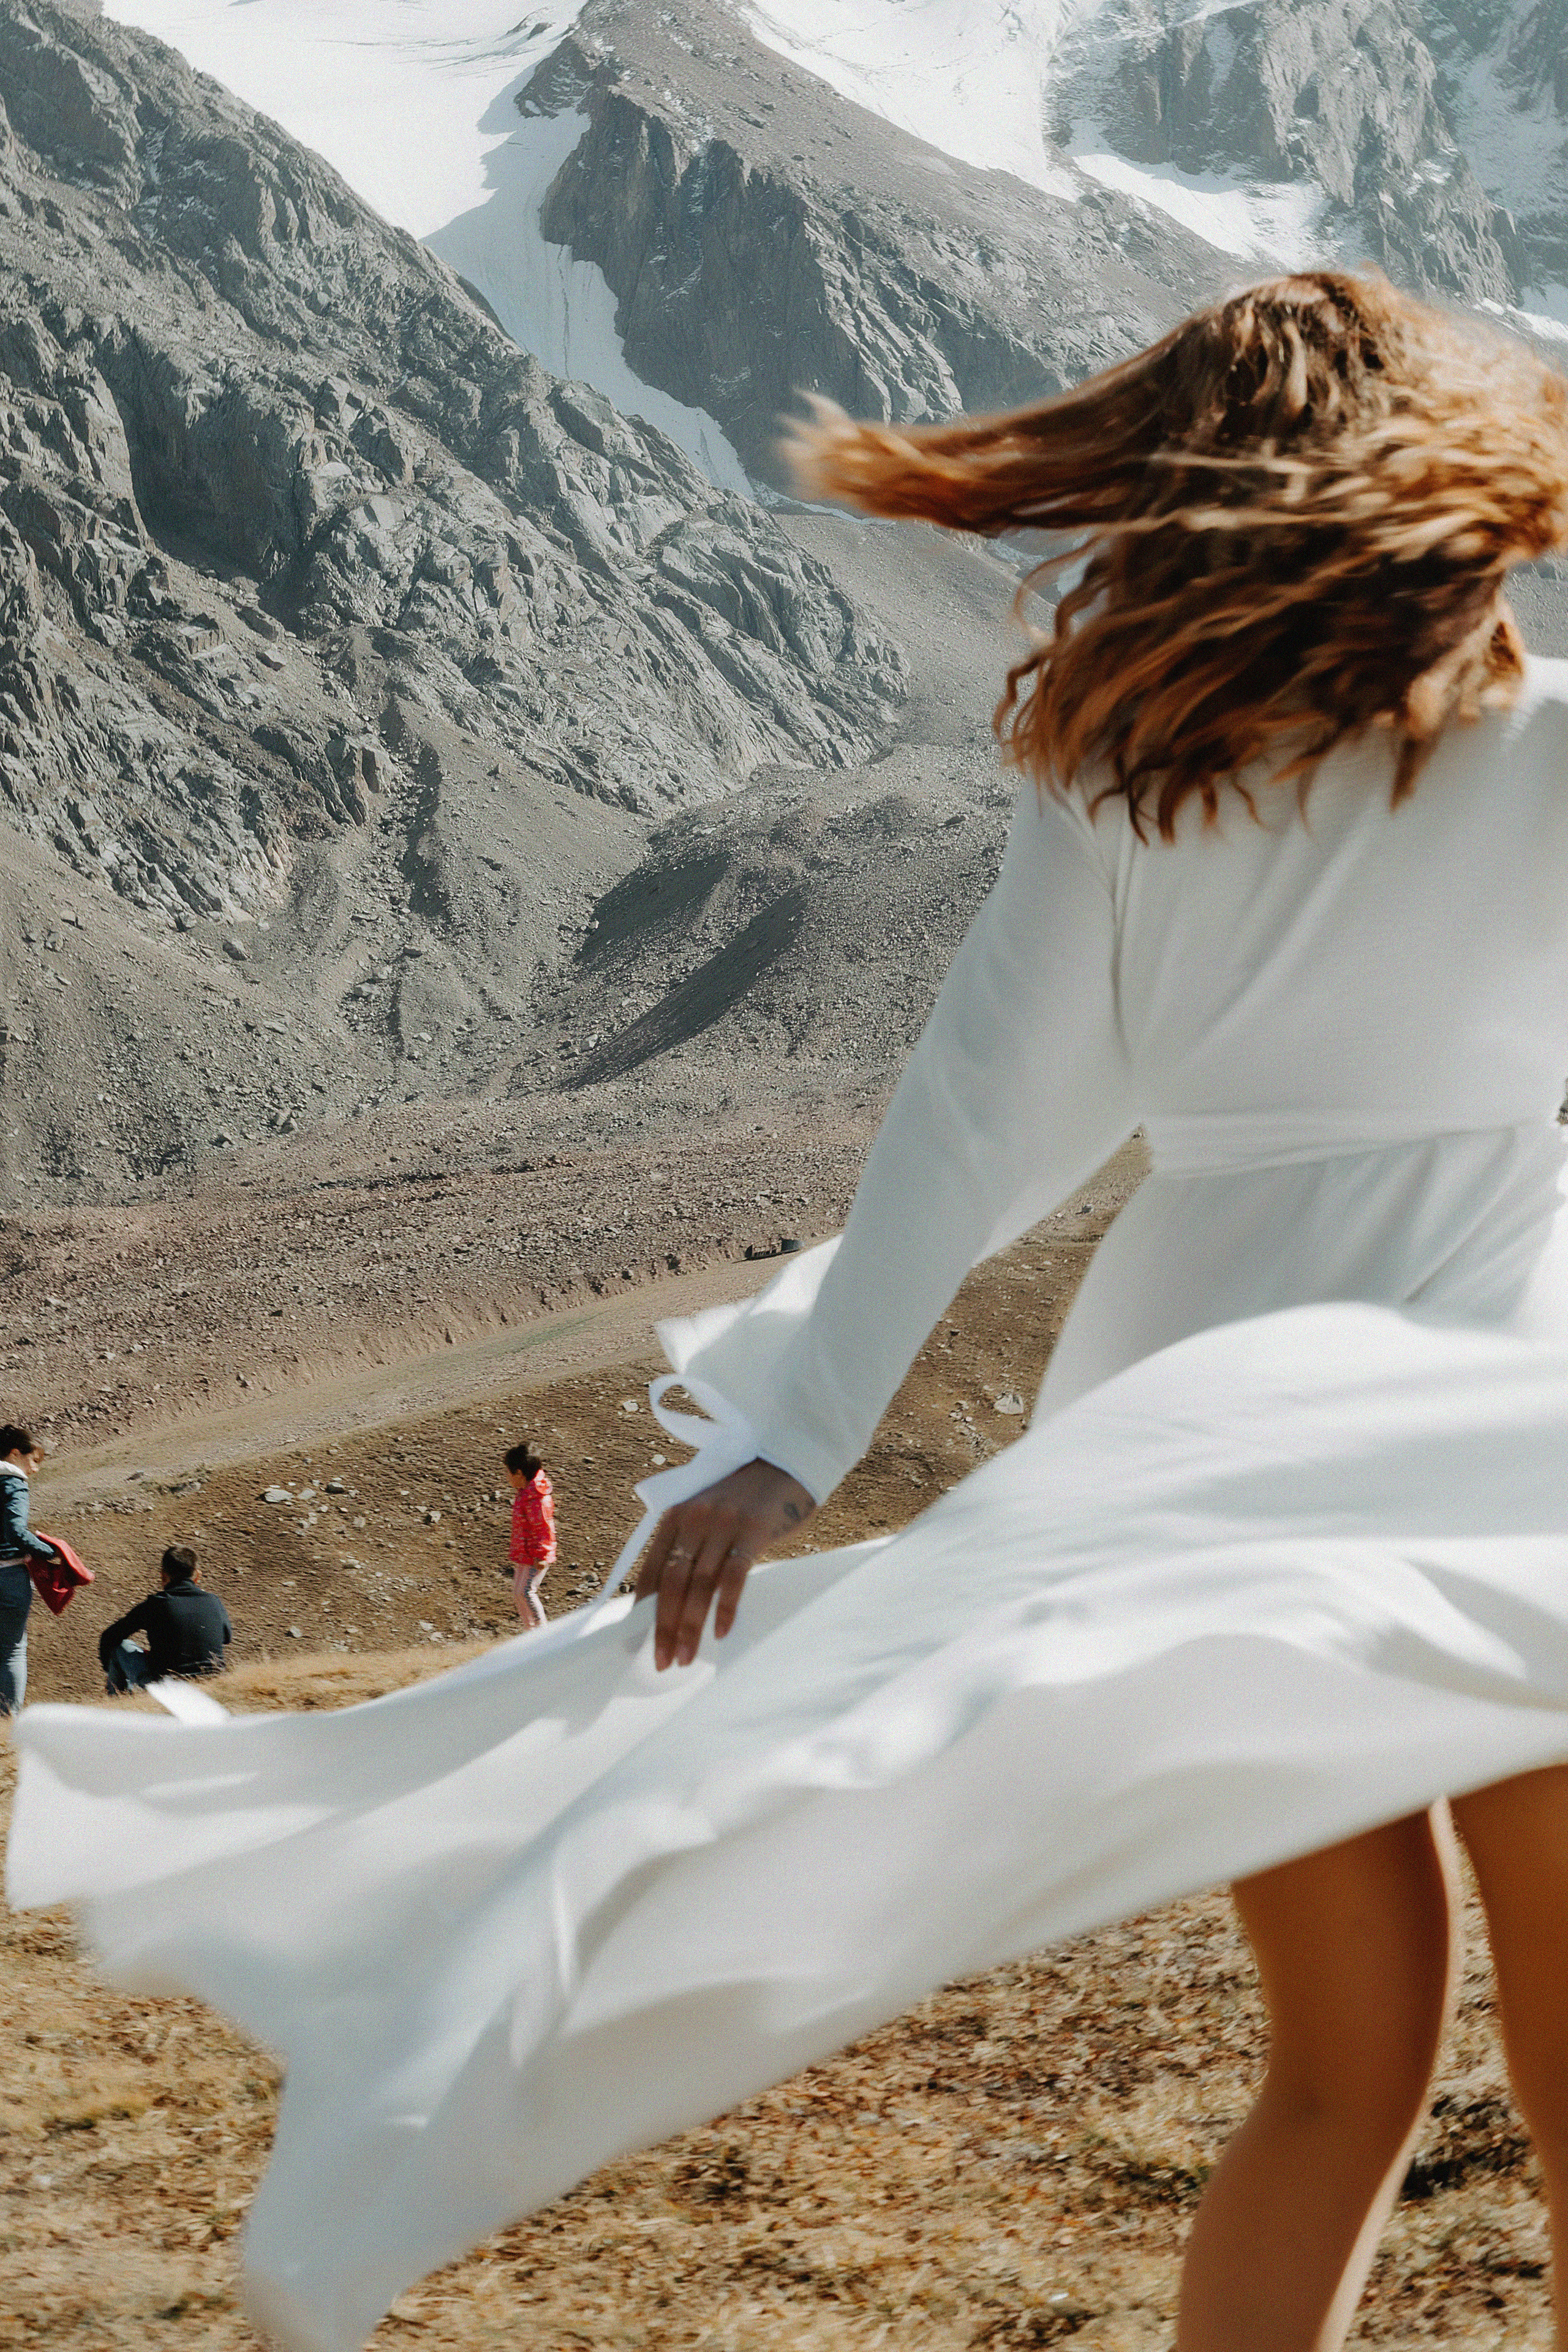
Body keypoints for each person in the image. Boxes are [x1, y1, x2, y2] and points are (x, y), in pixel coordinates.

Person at [13, 271, 1568, 2352]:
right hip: (1481, 1396)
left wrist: (792, 1441)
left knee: (1339, 2068)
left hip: (1193, 1405)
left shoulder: (1131, 777)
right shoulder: (1544, 758)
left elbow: (977, 1127)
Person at [99, 1545, 233, 1694]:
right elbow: (227, 1637)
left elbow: (109, 1637)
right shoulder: (213, 1601)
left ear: (163, 1575)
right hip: (212, 1685)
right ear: (196, 1575)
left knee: (122, 1646)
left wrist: (110, 1668)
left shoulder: (157, 1604)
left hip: (167, 1688)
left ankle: (118, 1703)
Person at [0, 1422, 53, 1716]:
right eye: (34, 1461)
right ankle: (7, 1723)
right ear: (15, 1453)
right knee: (11, 1651)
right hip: (8, 1575)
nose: (34, 1470)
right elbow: (17, 1531)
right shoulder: (14, 1483)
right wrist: (50, 1551)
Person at [504, 1442, 555, 1629]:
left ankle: (542, 1632)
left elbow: (544, 1529)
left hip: (536, 1556)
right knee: (519, 1592)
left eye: (508, 1473)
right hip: (525, 1555)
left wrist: (541, 1555)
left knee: (527, 1592)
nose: (507, 1477)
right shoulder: (526, 1494)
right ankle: (530, 1631)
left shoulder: (537, 1500)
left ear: (519, 1473)